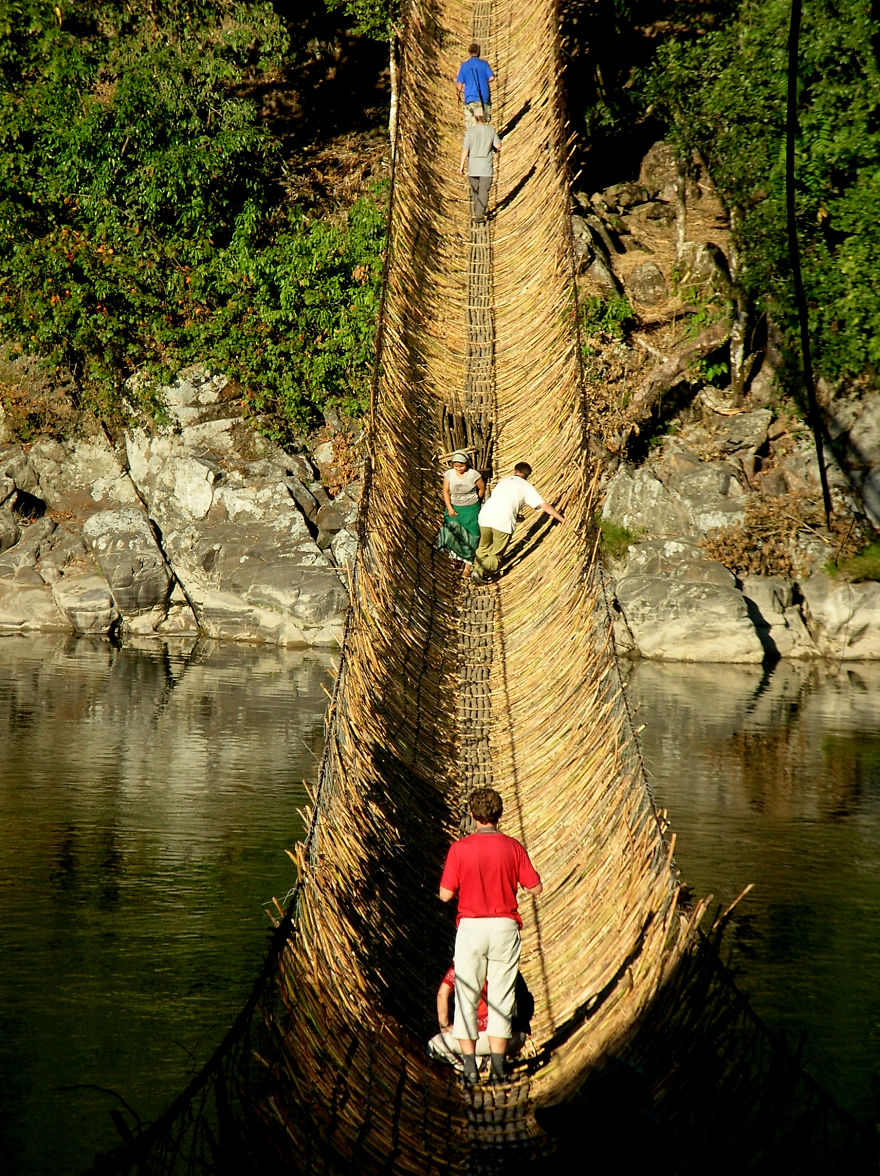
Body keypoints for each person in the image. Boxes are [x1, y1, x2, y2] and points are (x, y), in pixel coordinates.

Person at [439, 787, 543, 1085]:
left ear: (472, 816)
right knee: (502, 996)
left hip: (471, 928)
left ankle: (470, 1068)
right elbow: (535, 888)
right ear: (499, 815)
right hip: (504, 927)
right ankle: (498, 1070)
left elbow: (445, 895)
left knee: (467, 996)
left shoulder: (459, 849)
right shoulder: (513, 847)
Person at [471, 462, 565, 583]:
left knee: (483, 547)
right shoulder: (526, 487)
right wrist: (562, 519)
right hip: (503, 522)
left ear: (515, 470)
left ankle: (475, 569)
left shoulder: (504, 481)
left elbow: (503, 500)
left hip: (485, 516)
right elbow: (544, 506)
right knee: (496, 554)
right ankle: (480, 572)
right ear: (528, 475)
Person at [427, 963, 530, 1070]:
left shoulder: (463, 962)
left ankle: (479, 1064)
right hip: (518, 1037)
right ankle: (488, 1059)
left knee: (435, 1045)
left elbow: (442, 994)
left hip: (492, 1037)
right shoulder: (502, 959)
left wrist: (445, 1027)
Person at [436, 450, 485, 576]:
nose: (459, 469)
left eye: (461, 466)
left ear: (466, 464)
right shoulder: (449, 475)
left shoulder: (473, 475)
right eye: (456, 466)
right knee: (452, 530)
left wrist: (476, 502)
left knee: (472, 535)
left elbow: (481, 488)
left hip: (471, 509)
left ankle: (467, 566)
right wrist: (450, 508)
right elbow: (446, 492)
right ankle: (457, 557)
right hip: (455, 507)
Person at [460, 109, 501, 225]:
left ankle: (478, 213)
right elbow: (498, 146)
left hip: (473, 167)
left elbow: (465, 149)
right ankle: (480, 214)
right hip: (486, 168)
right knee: (484, 191)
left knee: (475, 191)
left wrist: (461, 165)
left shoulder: (470, 131)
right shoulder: (491, 130)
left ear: (475, 118)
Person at [455, 42, 494, 126]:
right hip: (483, 98)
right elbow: (491, 77)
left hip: (470, 99)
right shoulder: (484, 64)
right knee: (483, 123)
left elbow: (459, 83)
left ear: (469, 52)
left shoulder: (464, 66)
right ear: (478, 52)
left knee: (472, 125)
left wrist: (458, 95)